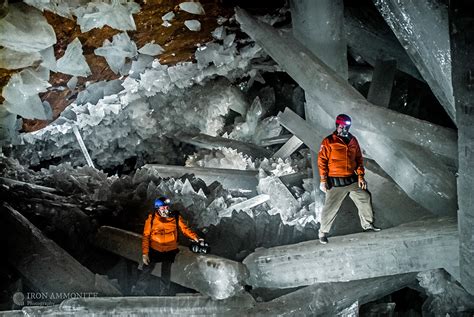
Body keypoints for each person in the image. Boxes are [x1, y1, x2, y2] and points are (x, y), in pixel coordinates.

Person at [317, 114, 381, 244]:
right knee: (330, 208)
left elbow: (358, 159)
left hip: (351, 180)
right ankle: (322, 232)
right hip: (335, 182)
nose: (344, 129)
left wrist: (361, 177)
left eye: (346, 127)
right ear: (337, 126)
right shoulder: (329, 141)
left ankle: (367, 225)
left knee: (364, 197)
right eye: (342, 126)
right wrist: (323, 180)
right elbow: (322, 161)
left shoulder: (353, 141)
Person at [133, 196, 202, 295]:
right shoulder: (151, 219)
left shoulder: (176, 217)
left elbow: (185, 229)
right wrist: (145, 253)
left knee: (166, 271)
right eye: (162, 207)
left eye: (166, 207)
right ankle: (139, 290)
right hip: (155, 248)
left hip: (170, 249)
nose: (165, 209)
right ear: (158, 209)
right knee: (147, 269)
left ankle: (164, 292)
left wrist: (196, 238)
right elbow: (146, 236)